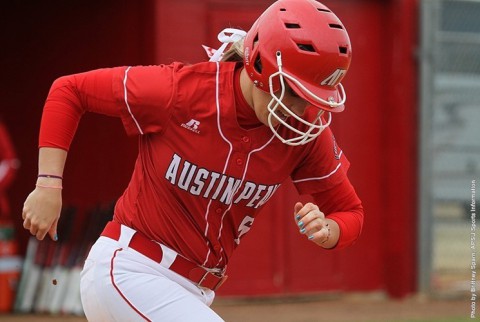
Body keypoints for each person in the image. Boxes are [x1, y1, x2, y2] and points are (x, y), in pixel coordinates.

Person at [22, 0, 364, 320]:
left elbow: (350, 212)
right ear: (259, 63)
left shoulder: (303, 130)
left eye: (312, 95)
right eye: (293, 90)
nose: (301, 109)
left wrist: (329, 230)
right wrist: (48, 184)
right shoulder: (182, 91)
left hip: (195, 290)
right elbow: (69, 91)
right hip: (130, 270)